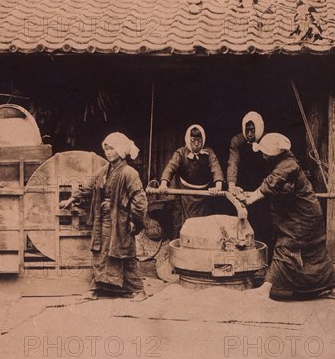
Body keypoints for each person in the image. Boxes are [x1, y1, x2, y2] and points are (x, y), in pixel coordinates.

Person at [242, 133, 335, 300]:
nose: (263, 155)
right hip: (302, 215)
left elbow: (272, 182)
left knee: (287, 247)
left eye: (266, 153)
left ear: (276, 154)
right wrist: (252, 194)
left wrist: (252, 197)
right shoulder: (282, 162)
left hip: (303, 217)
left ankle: (265, 289)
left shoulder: (288, 165)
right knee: (314, 253)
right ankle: (332, 288)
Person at [60, 132, 148, 302]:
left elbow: (140, 200)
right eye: (106, 149)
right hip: (103, 220)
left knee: (125, 255)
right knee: (100, 253)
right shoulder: (103, 172)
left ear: (121, 151)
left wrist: (134, 220)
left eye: (112, 149)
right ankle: (96, 289)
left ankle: (139, 290)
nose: (108, 152)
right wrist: (71, 198)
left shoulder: (130, 173)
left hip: (121, 221)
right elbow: (89, 187)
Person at [158, 125, 224, 224]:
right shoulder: (180, 153)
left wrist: (217, 187)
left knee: (203, 223)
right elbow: (170, 167)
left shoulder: (209, 152)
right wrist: (163, 184)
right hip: (184, 193)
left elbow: (216, 168)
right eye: (193, 141)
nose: (196, 144)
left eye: (199, 140)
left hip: (203, 195)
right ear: (188, 140)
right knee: (180, 221)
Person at [227, 111, 273, 250]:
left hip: (264, 185)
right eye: (247, 130)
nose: (250, 134)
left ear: (259, 128)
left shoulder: (268, 140)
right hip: (244, 185)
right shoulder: (237, 141)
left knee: (265, 221)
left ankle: (265, 255)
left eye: (253, 130)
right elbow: (233, 162)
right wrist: (231, 184)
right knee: (243, 220)